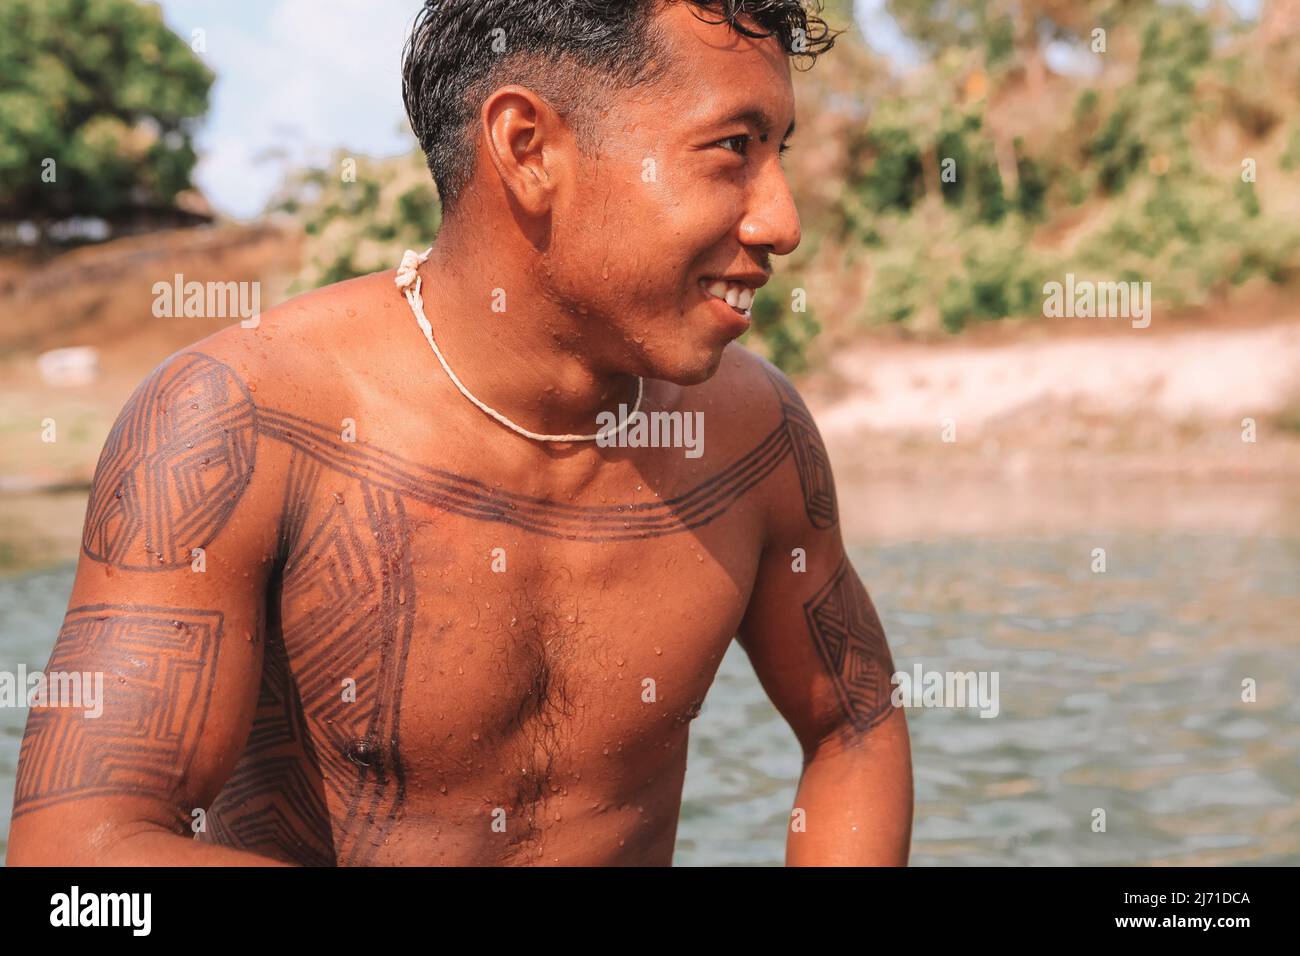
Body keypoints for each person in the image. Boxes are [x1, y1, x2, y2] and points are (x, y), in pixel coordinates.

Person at [7, 0, 911, 866]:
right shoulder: (244, 423)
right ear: (529, 148)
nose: (782, 221)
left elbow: (854, 726)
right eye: (732, 150)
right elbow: (79, 877)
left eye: (776, 153)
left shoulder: (753, 439)